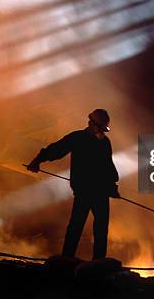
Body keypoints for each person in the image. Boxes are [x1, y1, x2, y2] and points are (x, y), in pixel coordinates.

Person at [27, 109, 119, 260]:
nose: (103, 132)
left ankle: (98, 262)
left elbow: (108, 165)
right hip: (84, 191)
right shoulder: (77, 138)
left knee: (101, 230)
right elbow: (56, 149)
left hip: (101, 192)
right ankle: (67, 259)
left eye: (104, 129)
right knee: (76, 227)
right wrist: (38, 160)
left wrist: (112, 184)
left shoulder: (104, 143)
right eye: (101, 128)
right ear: (91, 124)